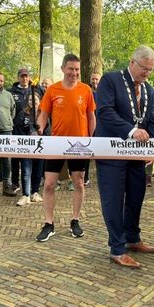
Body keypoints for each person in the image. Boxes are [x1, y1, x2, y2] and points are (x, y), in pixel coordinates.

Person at [95, 45, 154, 269]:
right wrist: (131, 131)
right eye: (144, 68)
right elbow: (104, 111)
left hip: (137, 156)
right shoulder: (110, 80)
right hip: (111, 152)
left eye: (150, 70)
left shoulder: (150, 91)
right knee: (113, 199)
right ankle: (117, 248)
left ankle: (133, 238)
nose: (147, 74)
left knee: (135, 196)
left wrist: (151, 147)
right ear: (133, 62)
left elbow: (150, 121)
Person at [35, 54, 96, 242]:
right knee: (49, 184)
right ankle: (49, 223)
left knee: (78, 183)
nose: (74, 73)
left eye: (77, 70)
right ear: (63, 69)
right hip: (56, 144)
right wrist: (39, 129)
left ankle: (75, 220)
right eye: (71, 69)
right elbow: (43, 114)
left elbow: (91, 116)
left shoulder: (86, 90)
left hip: (79, 145)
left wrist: (91, 140)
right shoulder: (52, 90)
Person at [0, 71, 18, 197]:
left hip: (6, 130)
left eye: (1, 81)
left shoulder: (8, 95)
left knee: (7, 160)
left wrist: (7, 121)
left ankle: (6, 185)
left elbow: (13, 111)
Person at [13, 92, 40, 206]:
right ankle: (26, 195)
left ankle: (35, 192)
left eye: (35, 100)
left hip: (40, 147)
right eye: (30, 100)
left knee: (38, 171)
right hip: (26, 147)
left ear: (39, 101)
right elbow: (17, 130)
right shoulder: (22, 114)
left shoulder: (44, 114)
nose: (32, 102)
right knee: (26, 171)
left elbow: (48, 130)